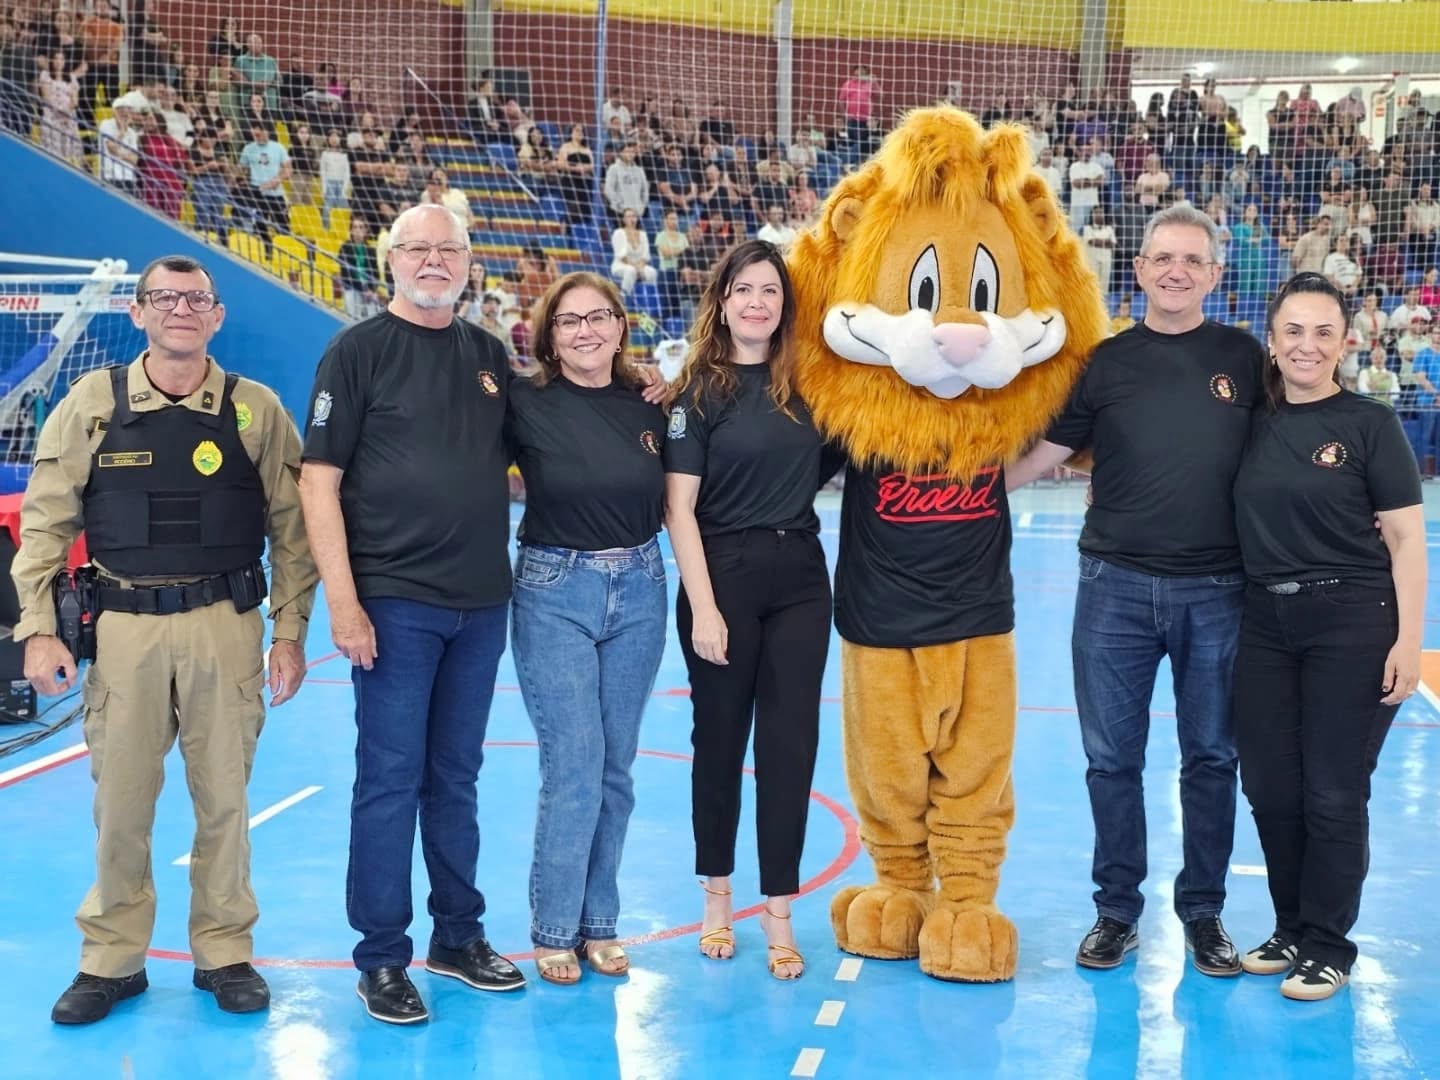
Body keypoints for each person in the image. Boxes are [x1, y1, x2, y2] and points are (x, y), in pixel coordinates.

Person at [12, 254, 316, 1024]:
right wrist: (38, 631)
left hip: (226, 627)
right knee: (120, 804)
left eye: (196, 299)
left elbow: (295, 531)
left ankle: (224, 951)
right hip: (124, 630)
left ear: (217, 316)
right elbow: (45, 526)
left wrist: (289, 634)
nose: (181, 309)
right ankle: (111, 960)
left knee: (225, 802)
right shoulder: (92, 402)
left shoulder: (256, 410)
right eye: (164, 297)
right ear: (138, 312)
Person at [1008, 205, 1265, 976]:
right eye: (1163, 258)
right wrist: (967, 489)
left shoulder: (1246, 358)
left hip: (1218, 590)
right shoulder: (1105, 362)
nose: (1176, 270)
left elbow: (1288, 446)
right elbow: (1048, 450)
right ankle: (1116, 911)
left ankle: (1204, 913)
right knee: (1110, 758)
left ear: (1214, 274)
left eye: (1192, 260)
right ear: (1142, 269)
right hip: (1113, 587)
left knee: (1212, 757)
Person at [298, 205, 526, 1024]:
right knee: (390, 778)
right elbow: (317, 481)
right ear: (391, 260)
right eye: (418, 248)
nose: (434, 261)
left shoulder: (489, 356)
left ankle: (458, 936)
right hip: (393, 604)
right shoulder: (356, 352)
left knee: (456, 777)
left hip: (481, 604)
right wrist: (344, 603)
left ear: (468, 262)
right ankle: (383, 957)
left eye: (449, 249)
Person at [1231, 273, 1425, 1001]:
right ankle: (1291, 927)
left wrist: (1409, 641)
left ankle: (1328, 945)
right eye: (1293, 331)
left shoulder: (1370, 423)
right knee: (1270, 788)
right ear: (1272, 341)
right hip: (1264, 622)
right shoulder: (1251, 421)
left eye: (1322, 333)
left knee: (1334, 793)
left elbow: (1406, 539)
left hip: (1353, 619)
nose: (1306, 345)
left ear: (1345, 343)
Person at [662, 240, 833, 980]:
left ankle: (779, 910)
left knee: (790, 748)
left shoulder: (813, 388)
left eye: (769, 290)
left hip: (801, 578)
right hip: (721, 577)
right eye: (743, 290)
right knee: (720, 744)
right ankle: (717, 898)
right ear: (722, 302)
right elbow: (678, 509)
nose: (757, 302)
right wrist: (704, 608)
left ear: (784, 304)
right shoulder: (698, 393)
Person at [507, 273, 668, 985]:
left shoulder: (650, 403)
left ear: (620, 326)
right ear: (550, 335)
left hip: (641, 587)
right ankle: (553, 928)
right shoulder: (524, 402)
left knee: (615, 769)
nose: (585, 331)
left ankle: (600, 923)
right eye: (569, 321)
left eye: (598, 317)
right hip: (555, 590)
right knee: (573, 764)